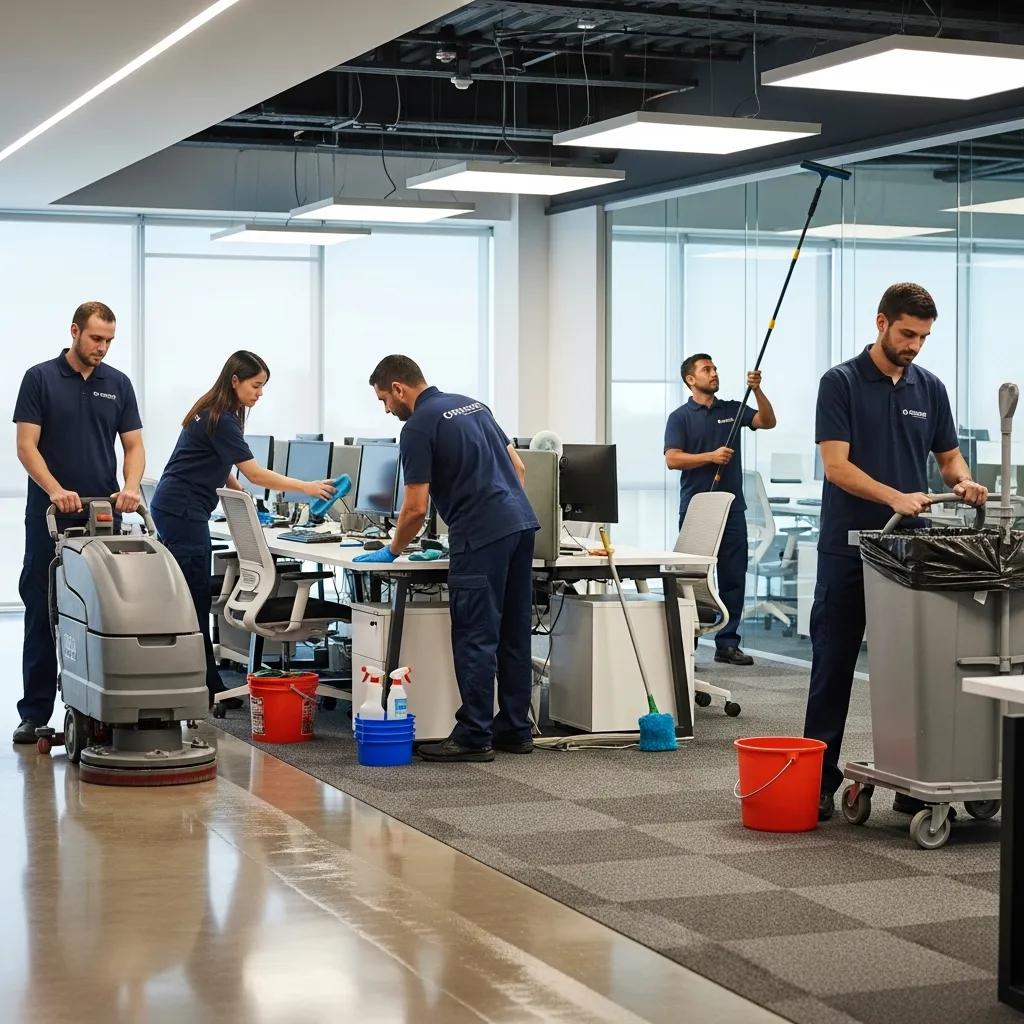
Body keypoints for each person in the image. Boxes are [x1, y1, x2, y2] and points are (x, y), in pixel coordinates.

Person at [806, 283, 987, 821]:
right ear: (881, 322)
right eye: (907, 333)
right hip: (849, 547)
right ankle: (819, 781)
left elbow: (950, 458)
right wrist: (894, 496)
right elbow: (835, 466)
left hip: (912, 554)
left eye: (924, 337)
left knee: (915, 670)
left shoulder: (928, 387)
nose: (915, 345)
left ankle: (916, 783)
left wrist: (965, 482)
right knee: (832, 665)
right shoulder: (839, 382)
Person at [357, 355, 539, 762]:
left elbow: (416, 508)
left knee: (476, 635)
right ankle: (515, 729)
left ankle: (474, 735)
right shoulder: (474, 405)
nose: (387, 409)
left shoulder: (418, 426)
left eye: (385, 399)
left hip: (480, 535)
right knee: (512, 632)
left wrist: (393, 550)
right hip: (521, 524)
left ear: (399, 388)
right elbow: (519, 467)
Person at [150, 351, 335, 705]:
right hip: (183, 510)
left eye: (263, 386)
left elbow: (221, 466)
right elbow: (255, 473)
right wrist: (308, 487)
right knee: (193, 599)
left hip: (176, 506)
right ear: (235, 380)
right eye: (256, 385)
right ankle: (206, 685)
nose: (260, 393)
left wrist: (244, 498)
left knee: (191, 597)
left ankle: (202, 681)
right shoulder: (222, 418)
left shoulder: (217, 411)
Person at [12, 301, 146, 743]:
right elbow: (27, 446)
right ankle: (34, 713)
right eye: (95, 338)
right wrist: (55, 490)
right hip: (50, 514)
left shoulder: (118, 384)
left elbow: (133, 447)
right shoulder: (40, 378)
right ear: (74, 331)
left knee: (100, 609)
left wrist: (131, 485)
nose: (102, 348)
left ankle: (100, 706)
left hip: (101, 516)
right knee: (42, 606)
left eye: (109, 340)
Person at [664, 354, 777, 666]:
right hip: (697, 509)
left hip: (731, 508)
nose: (714, 373)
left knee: (733, 576)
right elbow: (673, 459)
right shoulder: (680, 417)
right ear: (690, 379)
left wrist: (757, 390)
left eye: (715, 368)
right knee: (694, 577)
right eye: (706, 370)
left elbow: (767, 421)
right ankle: (690, 641)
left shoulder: (731, 409)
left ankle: (727, 644)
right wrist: (710, 457)